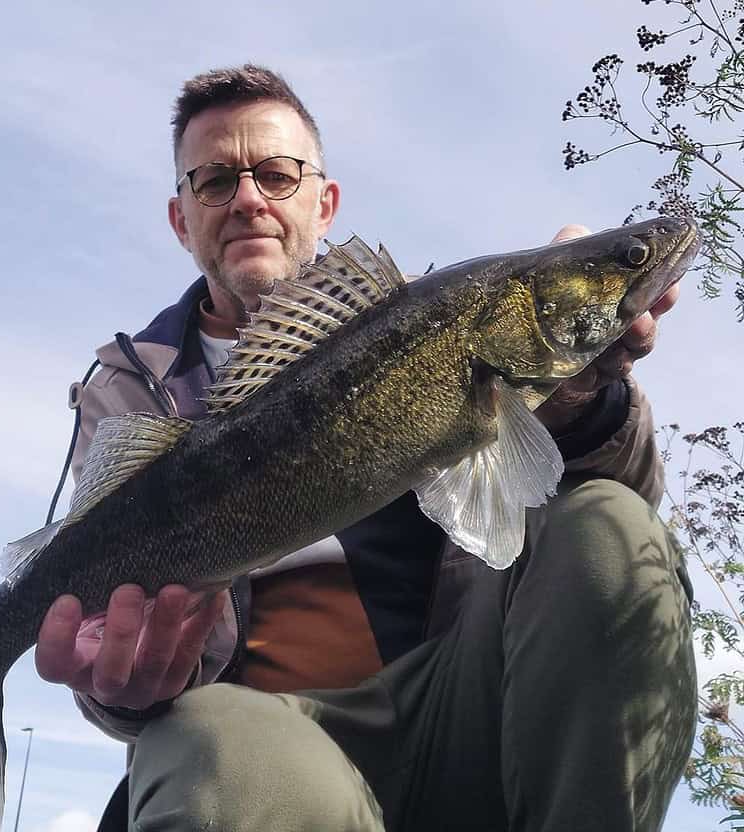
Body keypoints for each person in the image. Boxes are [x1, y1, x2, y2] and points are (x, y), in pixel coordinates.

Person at [34, 65, 697, 832]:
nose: (249, 198)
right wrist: (118, 688)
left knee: (610, 527)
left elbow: (596, 512)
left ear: (326, 201)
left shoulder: (434, 322)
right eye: (214, 181)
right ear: (182, 218)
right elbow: (107, 651)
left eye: (277, 175)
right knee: (212, 743)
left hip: (465, 714)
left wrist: (585, 393)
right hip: (262, 759)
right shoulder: (124, 391)